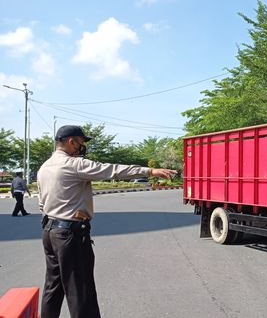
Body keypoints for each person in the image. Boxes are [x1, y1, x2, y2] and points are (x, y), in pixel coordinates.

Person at [37, 125, 177, 318]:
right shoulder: (74, 164)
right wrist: (150, 171)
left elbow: (41, 203)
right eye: (81, 142)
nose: (82, 147)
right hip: (70, 235)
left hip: (50, 232)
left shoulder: (44, 167)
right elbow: (113, 170)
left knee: (53, 287)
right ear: (71, 141)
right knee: (81, 290)